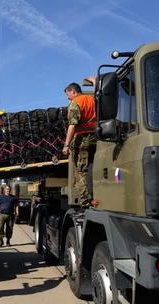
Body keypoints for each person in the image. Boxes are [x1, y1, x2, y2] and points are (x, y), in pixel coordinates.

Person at [62, 80, 97, 208]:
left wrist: (66, 144)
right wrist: (94, 81)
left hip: (81, 141)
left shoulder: (75, 103)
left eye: (68, 94)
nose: (68, 98)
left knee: (82, 172)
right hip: (95, 139)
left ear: (73, 91)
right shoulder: (92, 100)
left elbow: (73, 124)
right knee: (93, 168)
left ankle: (85, 203)